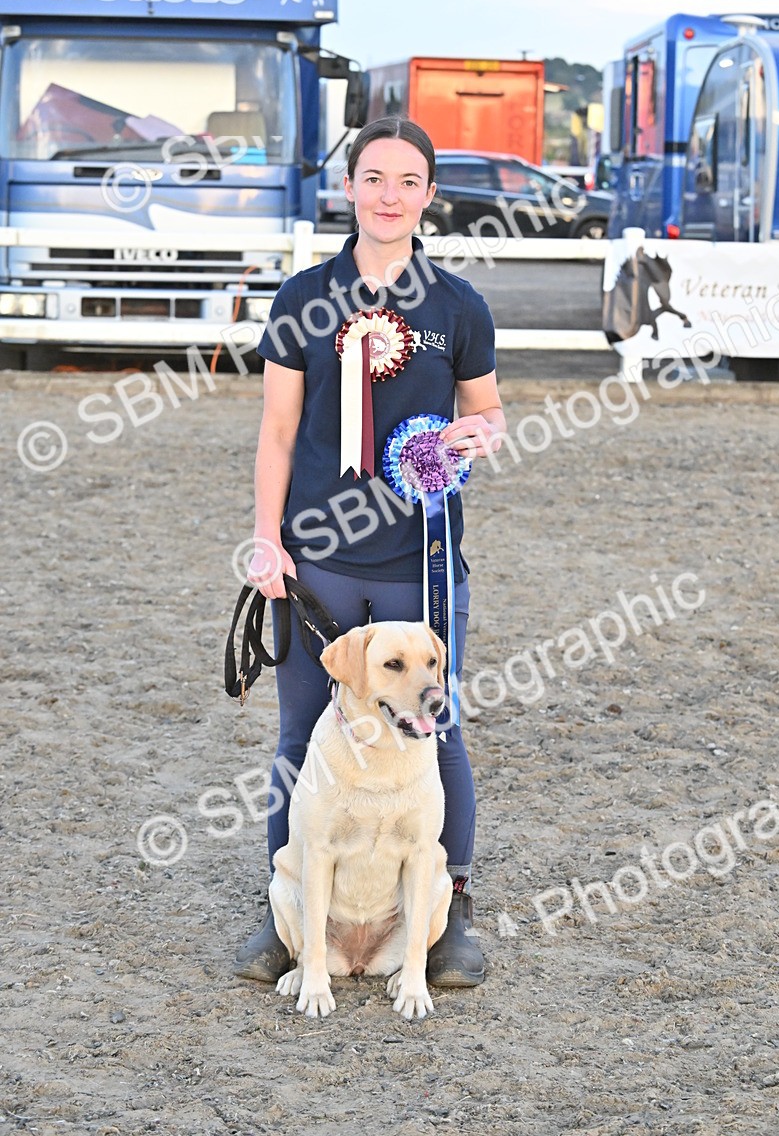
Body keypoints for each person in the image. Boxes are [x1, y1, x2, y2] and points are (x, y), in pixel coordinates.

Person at [234, 116, 506, 989]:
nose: (390, 196)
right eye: (374, 178)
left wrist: (479, 436)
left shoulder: (460, 305)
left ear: (429, 195)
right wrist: (267, 541)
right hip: (317, 562)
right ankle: (286, 912)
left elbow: (489, 413)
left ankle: (448, 907)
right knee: (298, 737)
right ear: (349, 187)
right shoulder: (302, 298)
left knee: (438, 730)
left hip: (417, 561)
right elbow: (277, 435)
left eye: (408, 181)